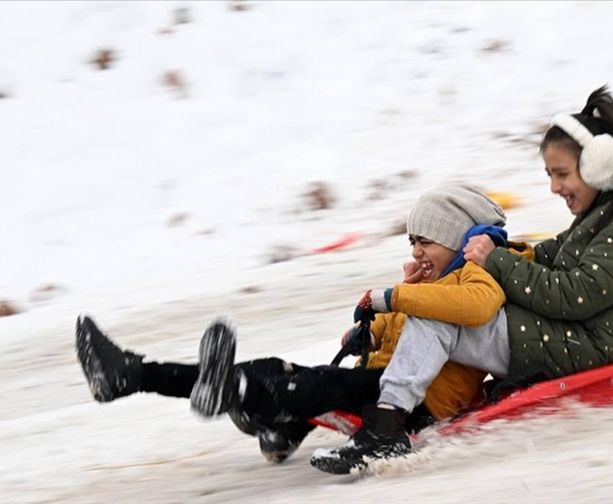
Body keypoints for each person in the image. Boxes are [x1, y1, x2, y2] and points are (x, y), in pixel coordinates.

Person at [310, 85, 613, 474]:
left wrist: (500, 264)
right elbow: (554, 255)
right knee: (450, 305)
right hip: (571, 334)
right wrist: (503, 253)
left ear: (599, 166)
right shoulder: (611, 214)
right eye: (549, 175)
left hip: (585, 344)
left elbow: (578, 295)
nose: (554, 187)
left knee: (438, 315)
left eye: (561, 174)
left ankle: (387, 427)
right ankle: (396, 404)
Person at [75, 184, 530, 464]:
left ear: (457, 239)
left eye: (424, 242)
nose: (414, 252)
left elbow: (471, 311)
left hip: (419, 402)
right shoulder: (429, 284)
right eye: (411, 242)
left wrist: (399, 296)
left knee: (310, 384)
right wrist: (372, 330)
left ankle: (241, 396)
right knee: (279, 368)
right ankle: (133, 375)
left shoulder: (472, 278)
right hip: (384, 380)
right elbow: (404, 337)